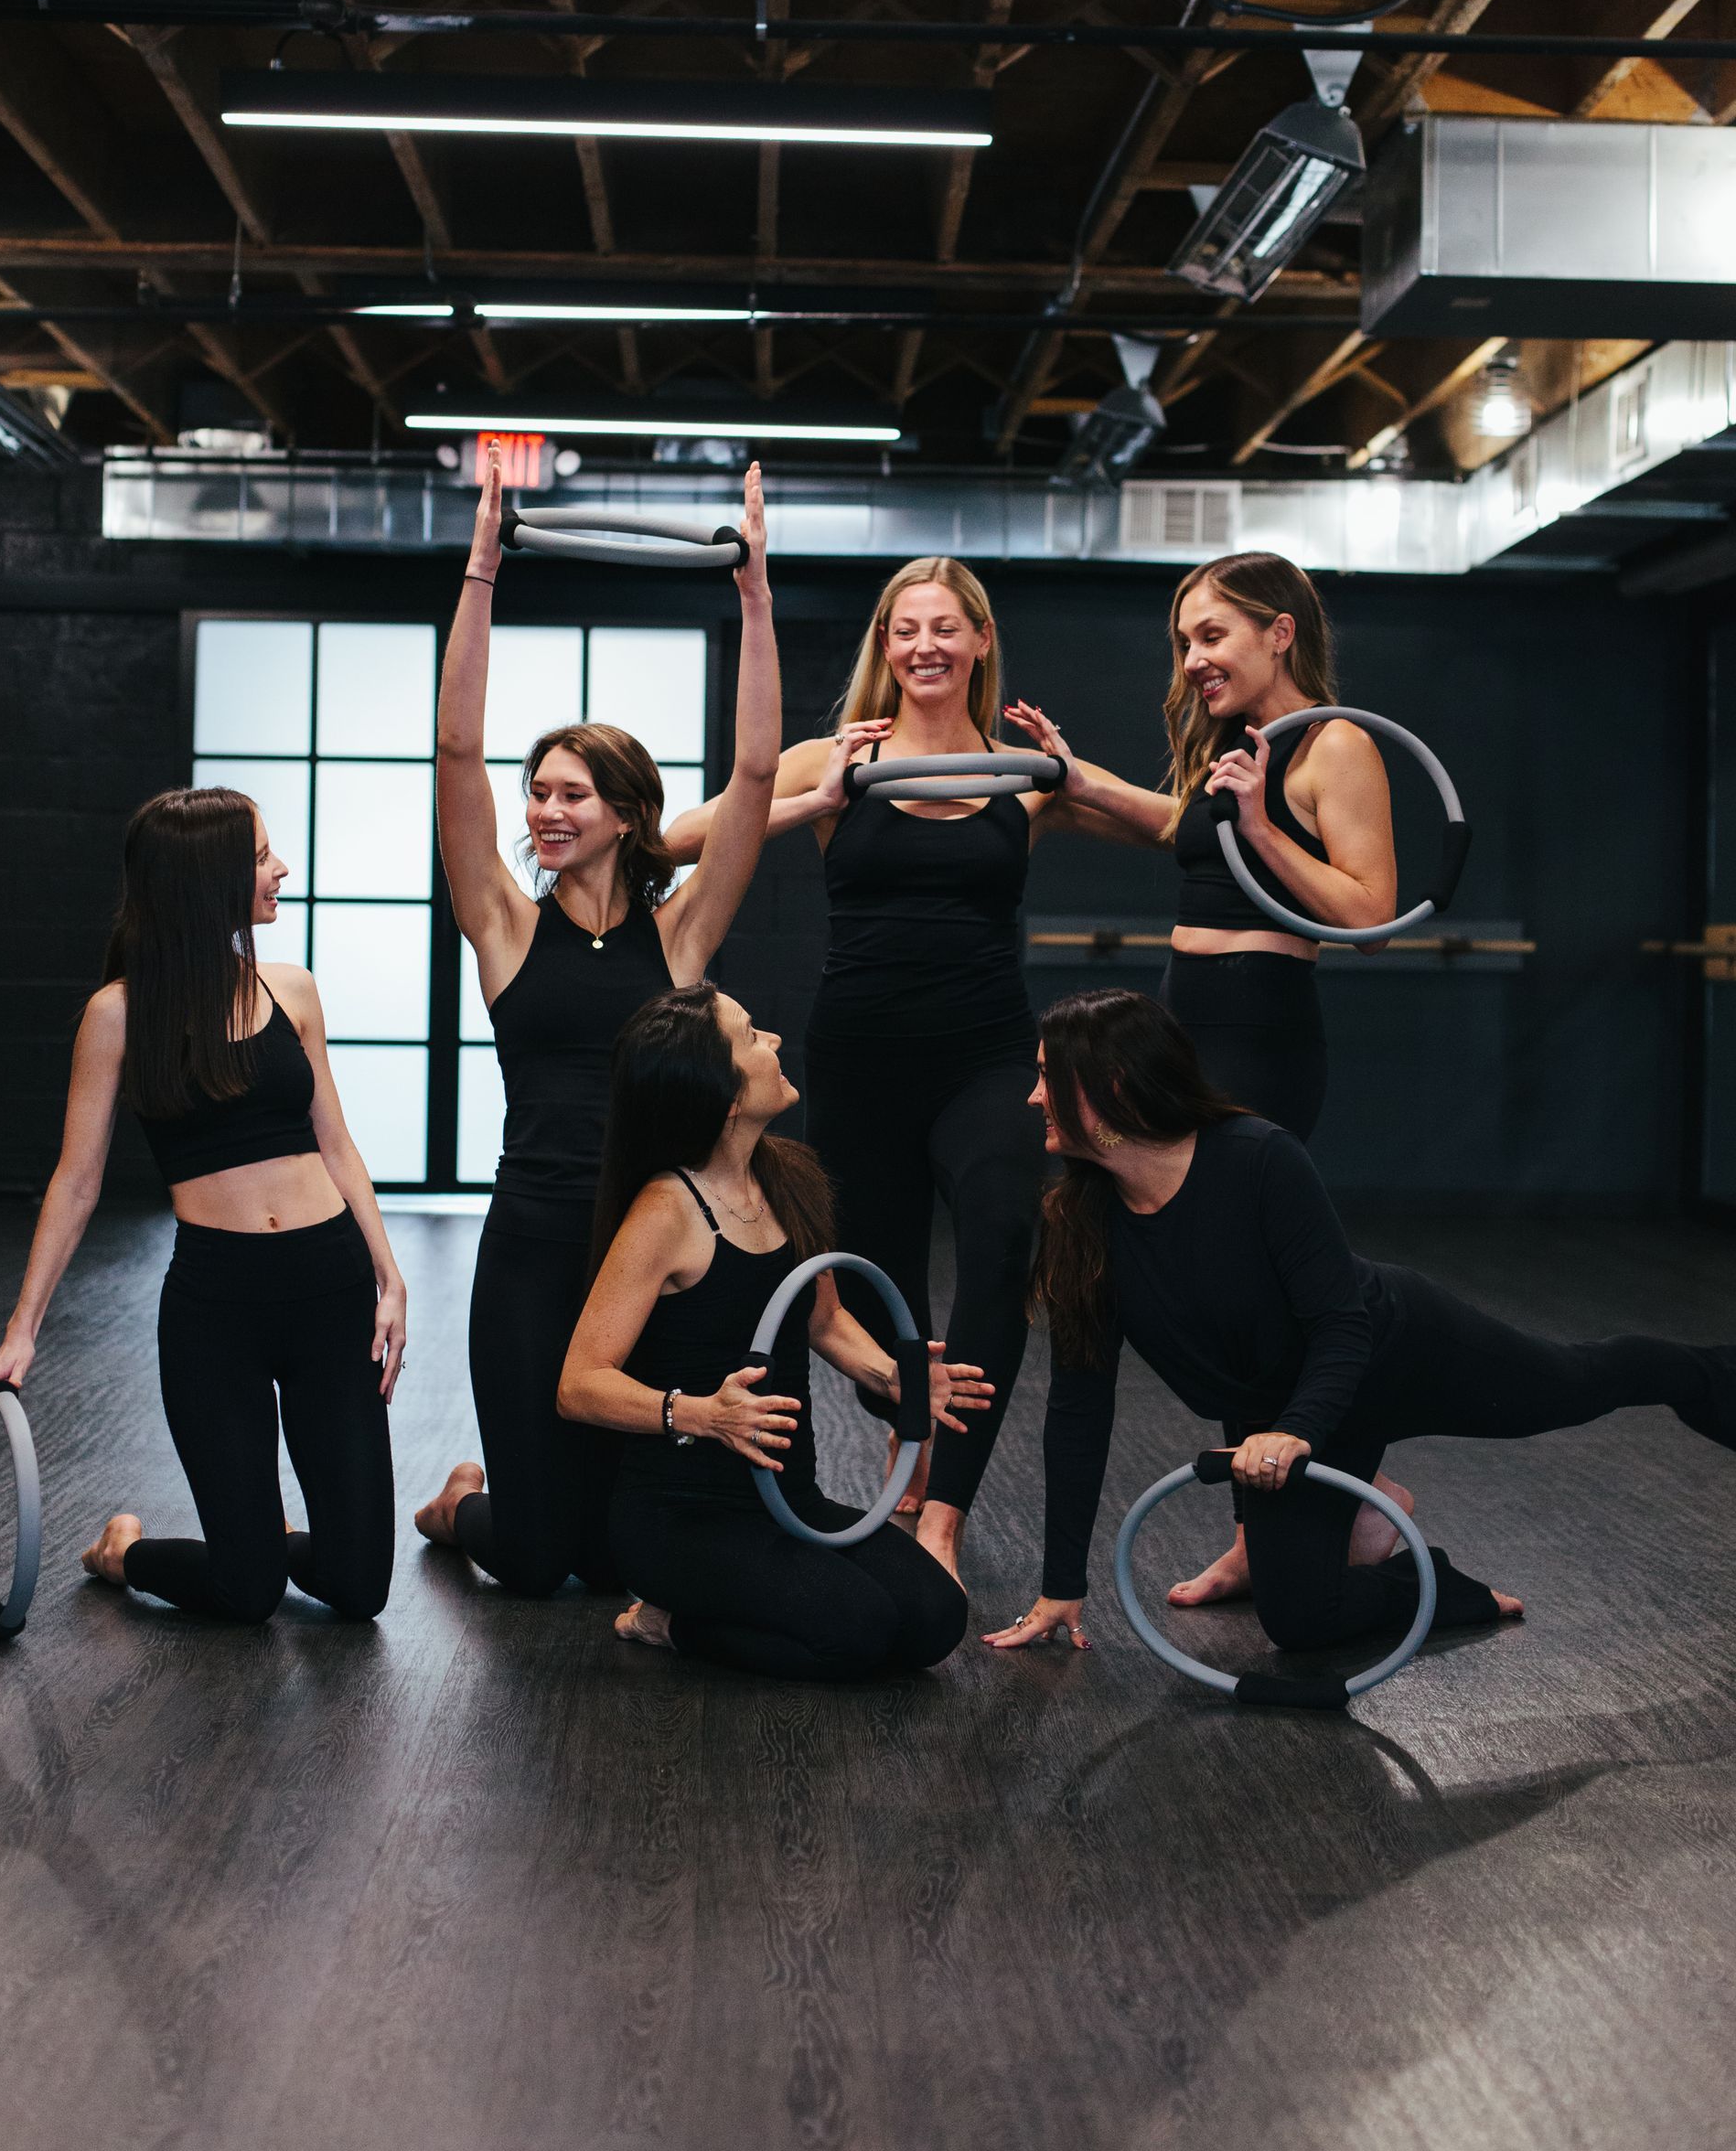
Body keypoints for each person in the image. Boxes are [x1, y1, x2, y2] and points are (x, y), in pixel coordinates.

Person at [985, 990, 1736, 1664]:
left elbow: (1342, 1327)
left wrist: (1297, 1432)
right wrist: (1061, 1586)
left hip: (1395, 1352)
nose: (1032, 1096)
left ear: (1112, 1086)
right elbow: (1079, 1410)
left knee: (1577, 1384)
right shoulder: (1082, 1224)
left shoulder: (1257, 1160)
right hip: (1289, 1413)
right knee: (1301, 1622)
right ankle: (1430, 1582)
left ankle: (1702, 1375)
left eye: (1050, 1076)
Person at [666, 554, 1125, 1587]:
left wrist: (1078, 774)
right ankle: (903, 1443)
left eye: (944, 628)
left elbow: (1167, 823)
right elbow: (684, 834)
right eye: (905, 628)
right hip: (862, 1055)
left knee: (1008, 1238)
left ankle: (942, 1512)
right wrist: (813, 798)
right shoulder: (842, 757)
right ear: (886, 645)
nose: (924, 644)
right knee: (880, 1288)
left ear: (977, 644)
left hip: (988, 1052)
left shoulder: (1022, 774)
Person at [413, 444, 780, 1597]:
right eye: (540, 793)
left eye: (572, 793)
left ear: (627, 815)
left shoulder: (678, 944)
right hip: (527, 1242)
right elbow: (456, 751)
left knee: (618, 1555)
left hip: (645, 1250)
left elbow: (759, 775)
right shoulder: (504, 927)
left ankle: (529, 1496)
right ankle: (468, 1503)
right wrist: (482, 574)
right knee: (536, 1563)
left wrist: (756, 594)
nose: (545, 810)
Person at [0, 788, 404, 1624]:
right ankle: (123, 1550)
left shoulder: (293, 991)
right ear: (206, 879)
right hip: (218, 1306)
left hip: (331, 1286)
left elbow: (338, 1144)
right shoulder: (119, 1014)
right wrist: (21, 1330)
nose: (281, 869)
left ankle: (255, 1533)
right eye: (260, 857)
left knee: (359, 1590)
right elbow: (77, 1179)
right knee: (247, 1595)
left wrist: (388, 1277)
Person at [558, 985, 982, 1680]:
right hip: (681, 1517)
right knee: (859, 1630)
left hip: (791, 1500)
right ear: (725, 1097)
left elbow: (826, 1318)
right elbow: (579, 1383)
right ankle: (671, 1620)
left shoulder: (788, 1177)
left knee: (937, 1616)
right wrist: (699, 1414)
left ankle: (723, 1611)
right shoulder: (667, 1210)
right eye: (752, 1037)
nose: (776, 1042)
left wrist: (891, 1377)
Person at [1006, 549, 1397, 1147]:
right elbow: (1190, 826)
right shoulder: (1238, 743)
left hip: (1258, 1030)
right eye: (1185, 643)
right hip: (1180, 1014)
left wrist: (1260, 829)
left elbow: (1372, 922)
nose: (1193, 661)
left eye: (1212, 636)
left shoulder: (1336, 743)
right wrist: (1084, 787)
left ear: (1280, 633)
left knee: (1228, 1219)